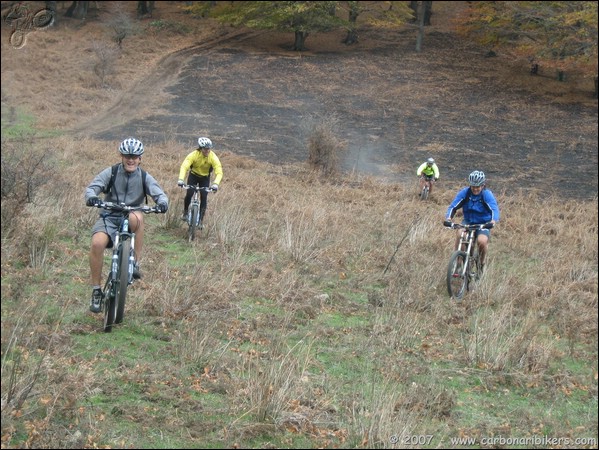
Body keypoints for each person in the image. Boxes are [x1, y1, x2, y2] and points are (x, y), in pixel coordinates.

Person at [84, 138, 169, 313]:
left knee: (136, 217)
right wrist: (92, 197)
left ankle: (134, 264)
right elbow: (92, 187)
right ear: (122, 156)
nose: (131, 160)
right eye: (127, 156)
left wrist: (162, 203)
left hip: (132, 215)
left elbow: (160, 194)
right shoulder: (112, 172)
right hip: (109, 215)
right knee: (97, 244)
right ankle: (96, 291)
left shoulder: (144, 176)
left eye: (135, 156)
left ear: (140, 158)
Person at [444, 170, 500, 273]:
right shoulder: (465, 193)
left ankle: (481, 264)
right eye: (473, 186)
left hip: (483, 223)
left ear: (483, 185)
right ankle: (458, 263)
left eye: (477, 186)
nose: (475, 189)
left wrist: (493, 221)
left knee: (482, 241)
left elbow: (494, 209)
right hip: (468, 221)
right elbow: (453, 206)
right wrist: (448, 218)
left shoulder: (486, 194)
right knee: (461, 234)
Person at [177, 137, 223, 225]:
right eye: (205, 149)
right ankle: (185, 212)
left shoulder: (213, 157)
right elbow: (184, 166)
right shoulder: (194, 155)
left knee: (204, 197)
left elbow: (219, 171)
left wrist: (216, 184)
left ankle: (201, 221)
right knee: (189, 193)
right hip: (193, 176)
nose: (207, 151)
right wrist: (181, 179)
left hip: (205, 178)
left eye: (209, 148)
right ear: (201, 148)